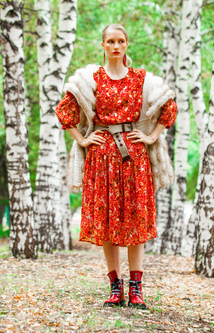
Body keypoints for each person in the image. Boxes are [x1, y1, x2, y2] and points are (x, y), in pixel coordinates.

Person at [55, 23, 177, 309]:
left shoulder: (140, 78)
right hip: (101, 158)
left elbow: (169, 108)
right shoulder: (92, 79)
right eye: (110, 41)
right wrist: (83, 141)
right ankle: (115, 287)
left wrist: (151, 136)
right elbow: (64, 112)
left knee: (135, 223)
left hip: (135, 158)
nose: (115, 46)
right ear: (103, 45)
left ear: (127, 44)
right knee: (109, 223)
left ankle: (136, 290)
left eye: (120, 41)